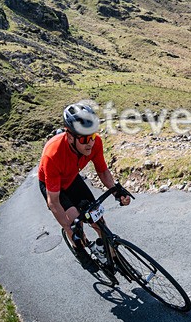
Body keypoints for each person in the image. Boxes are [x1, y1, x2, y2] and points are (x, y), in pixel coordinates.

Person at [38, 102, 130, 269]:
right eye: (86, 139)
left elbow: (103, 172)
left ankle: (113, 257)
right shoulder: (53, 154)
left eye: (93, 136)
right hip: (54, 187)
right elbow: (54, 202)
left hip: (72, 179)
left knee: (97, 219)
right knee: (75, 222)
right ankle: (80, 250)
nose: (91, 143)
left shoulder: (95, 143)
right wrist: (70, 227)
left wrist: (116, 190)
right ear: (70, 136)